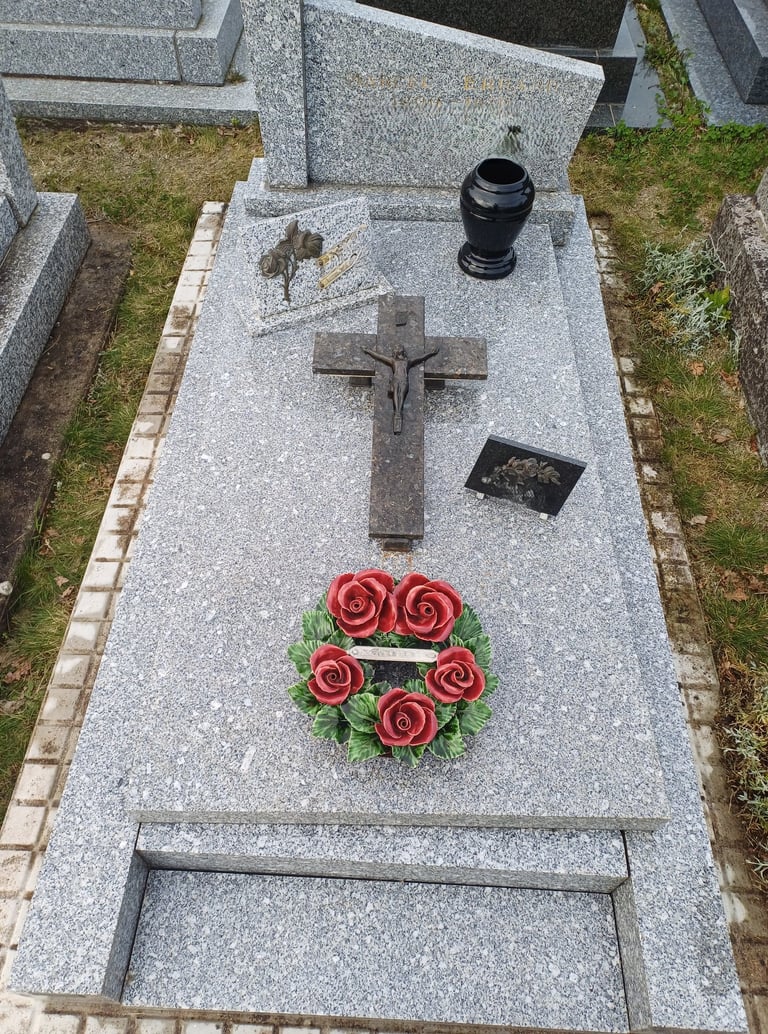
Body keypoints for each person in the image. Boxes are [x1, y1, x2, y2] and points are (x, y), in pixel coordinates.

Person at [362, 344, 439, 433]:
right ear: (395, 352)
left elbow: (420, 358)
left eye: (399, 348)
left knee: (401, 397)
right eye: (396, 348)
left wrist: (431, 353)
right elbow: (379, 356)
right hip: (396, 381)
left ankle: (398, 414)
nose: (398, 348)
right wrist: (368, 350)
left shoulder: (408, 361)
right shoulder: (393, 360)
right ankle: (397, 414)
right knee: (396, 396)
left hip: (404, 381)